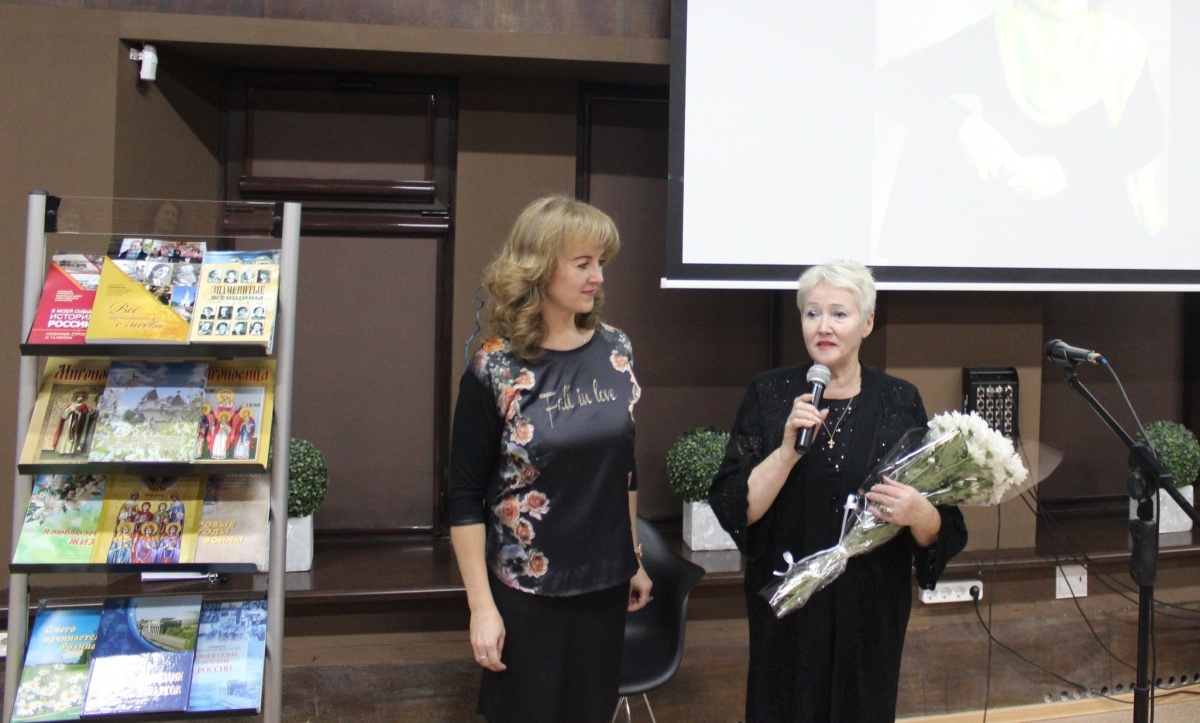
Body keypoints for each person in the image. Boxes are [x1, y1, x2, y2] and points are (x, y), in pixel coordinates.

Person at [708, 260, 968, 722]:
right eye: (812, 313)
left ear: (867, 323)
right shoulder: (770, 394)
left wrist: (918, 513)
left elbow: (942, 524)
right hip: (788, 608)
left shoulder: (899, 400)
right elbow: (735, 507)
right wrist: (786, 452)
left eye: (839, 314)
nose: (823, 326)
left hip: (870, 613)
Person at [447, 195, 651, 723]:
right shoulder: (495, 367)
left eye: (600, 263)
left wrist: (633, 557)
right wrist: (481, 608)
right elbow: (464, 498)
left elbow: (624, 469)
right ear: (538, 270)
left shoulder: (616, 350)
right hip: (527, 592)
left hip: (604, 585)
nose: (597, 277)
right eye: (583, 264)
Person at [874, 0, 1165, 263]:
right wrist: (967, 126)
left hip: (1098, 233)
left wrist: (1066, 170)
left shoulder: (1121, 43)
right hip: (1013, 233)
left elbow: (1146, 136)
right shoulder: (1001, 34)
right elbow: (892, 81)